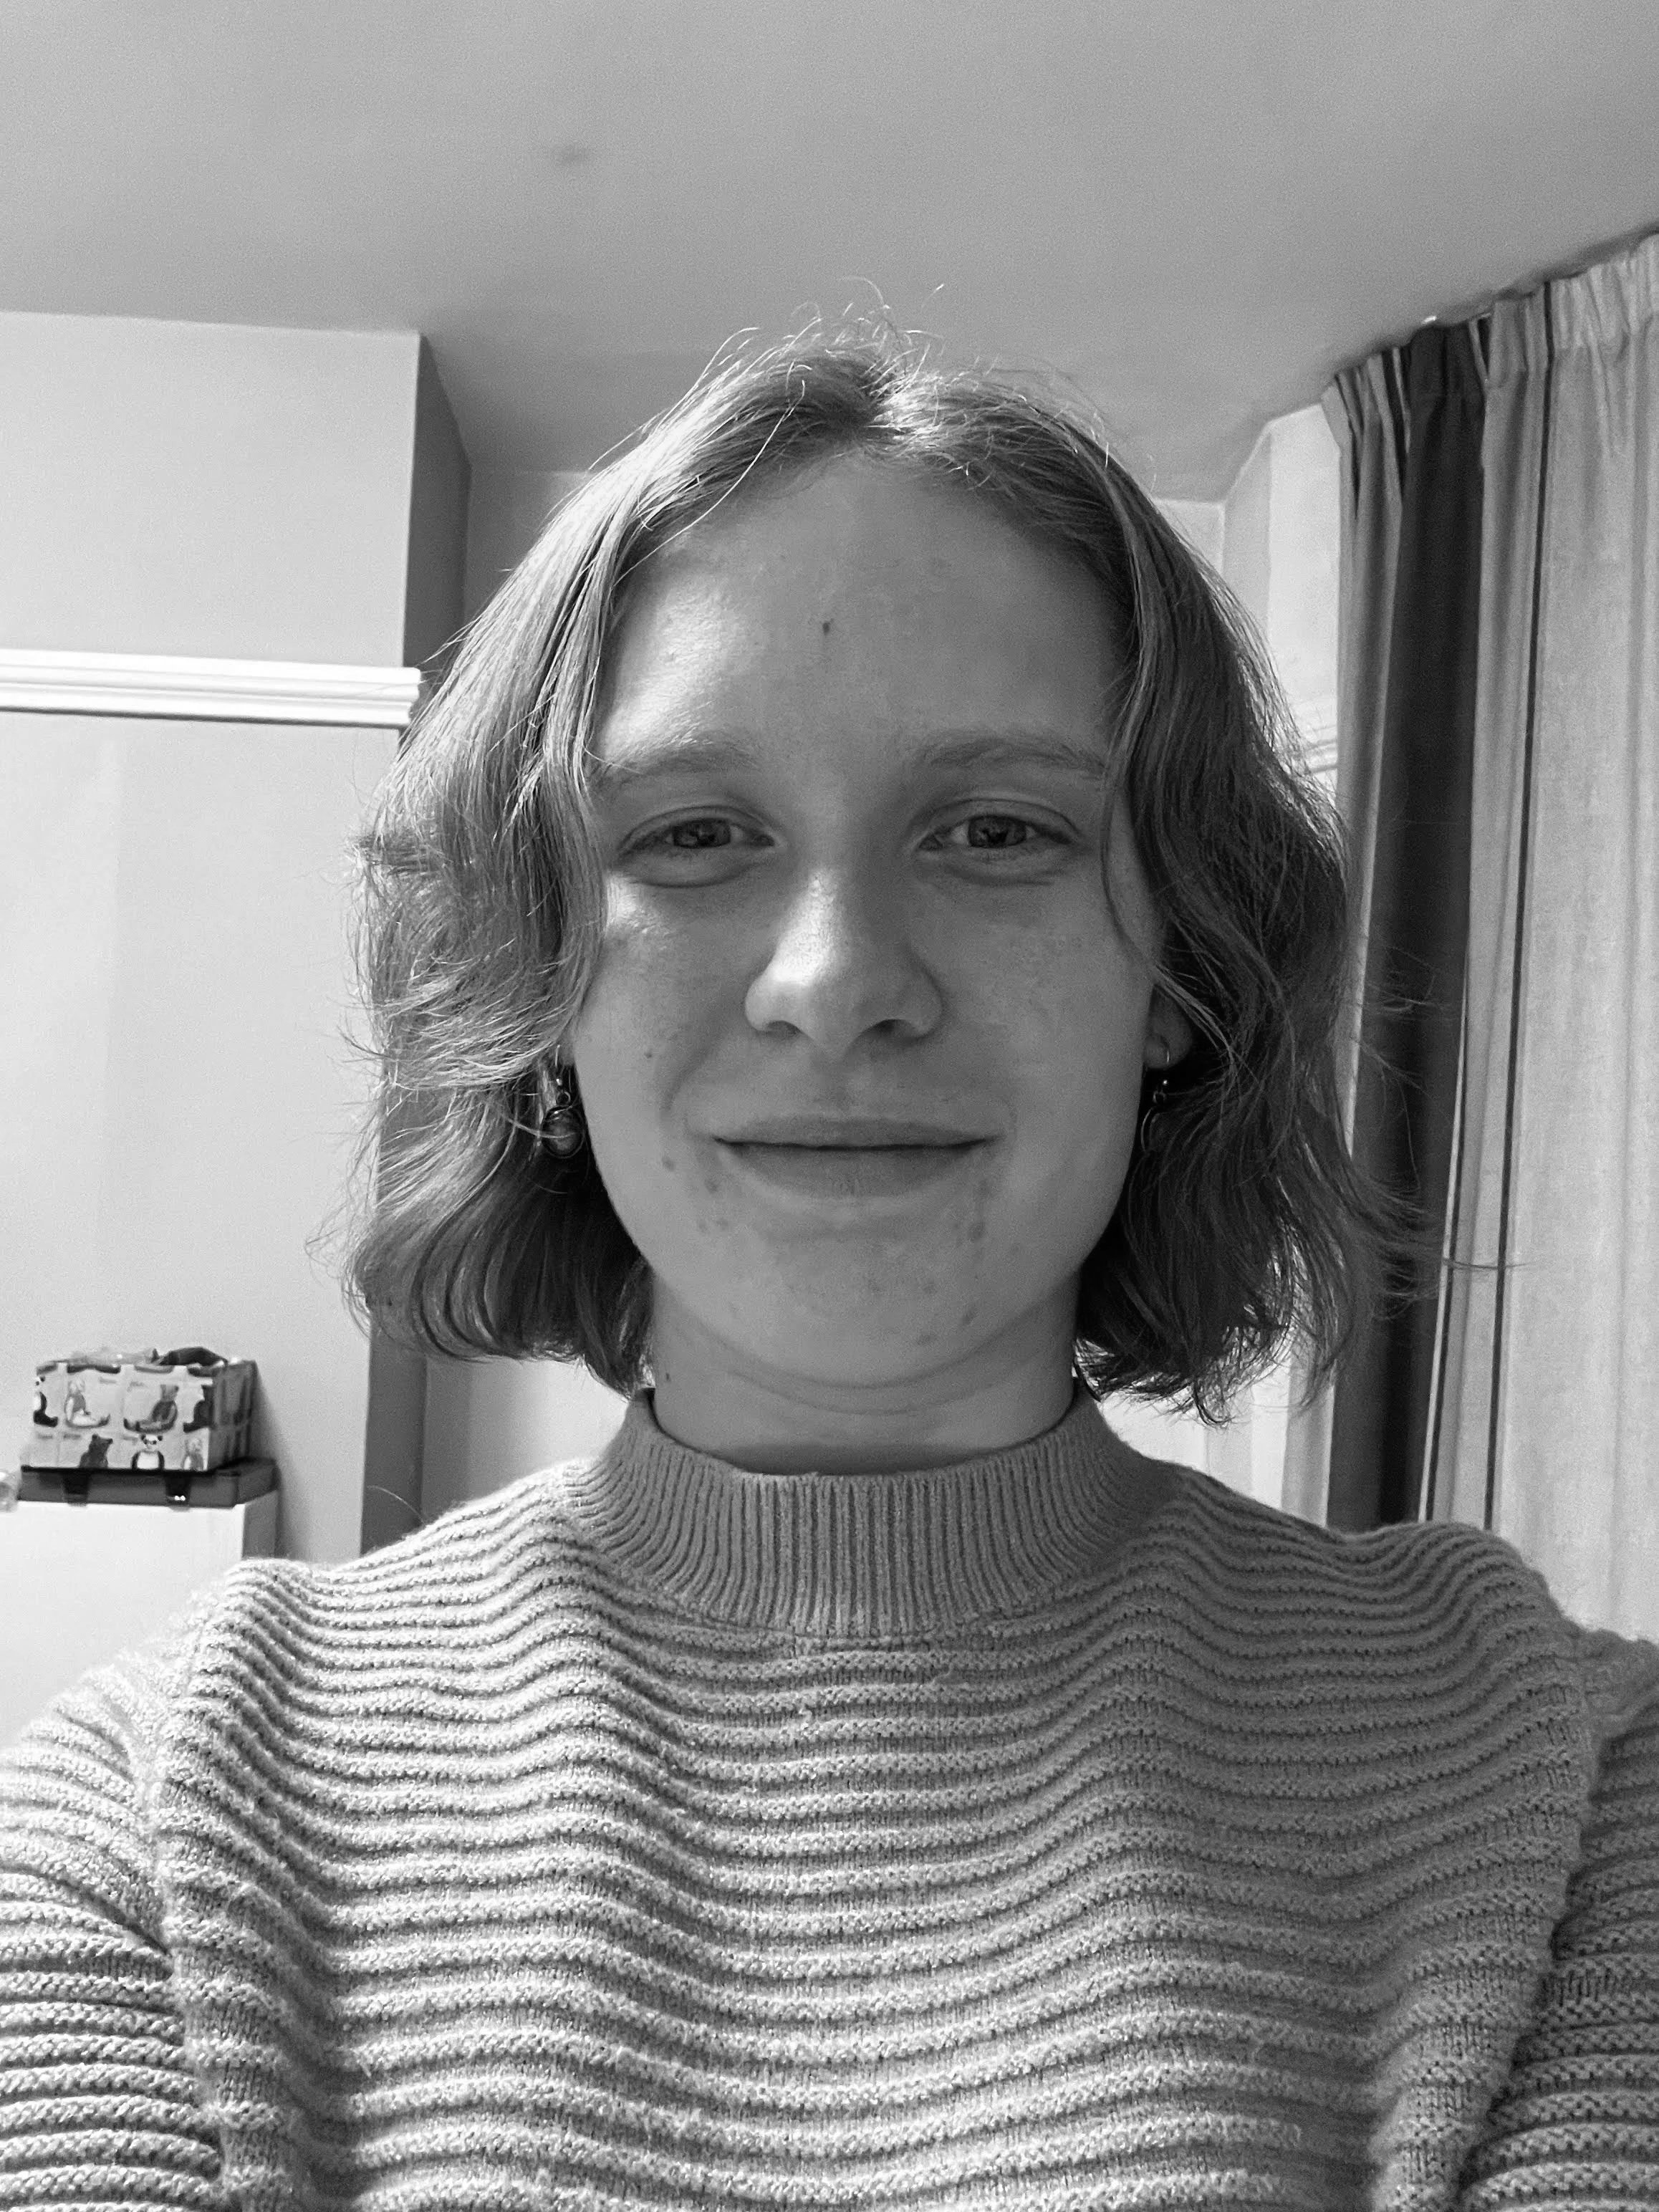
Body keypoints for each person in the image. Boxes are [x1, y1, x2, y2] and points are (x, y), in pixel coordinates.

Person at [3, 323, 1655, 2210]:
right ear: (536, 991)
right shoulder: (161, 1810)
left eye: (997, 829)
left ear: (1177, 980)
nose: (837, 980)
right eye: (693, 836)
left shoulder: (1562, 1790)